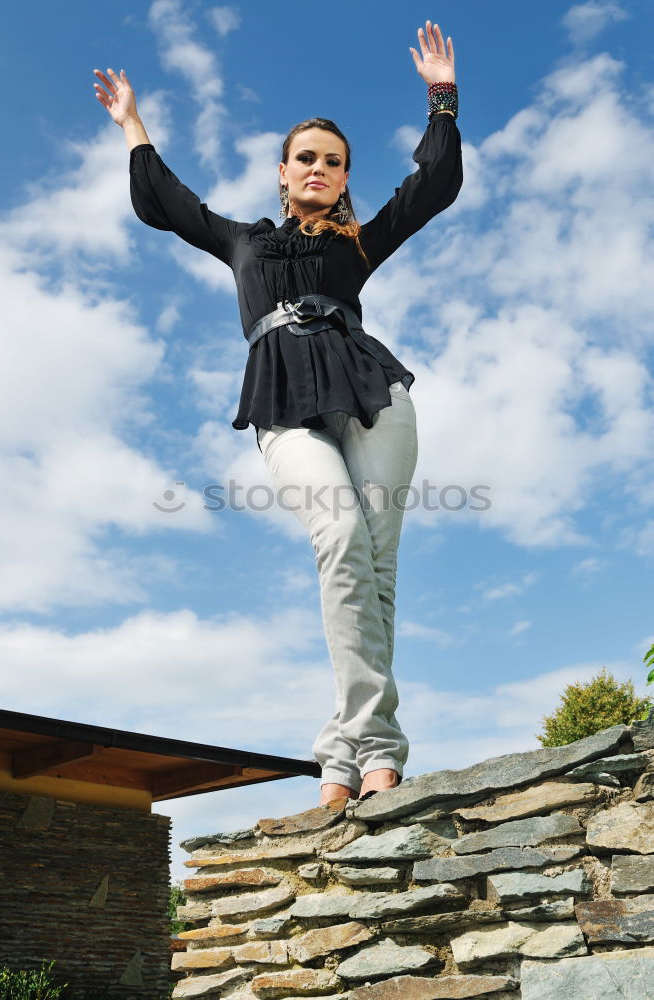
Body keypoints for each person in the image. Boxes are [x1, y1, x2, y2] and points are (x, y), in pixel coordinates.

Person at [93, 19, 462, 807]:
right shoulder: (243, 243)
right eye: (308, 158)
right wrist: (132, 122)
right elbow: (168, 202)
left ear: (343, 177)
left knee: (376, 564)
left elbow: (429, 189)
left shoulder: (359, 243)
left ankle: (351, 756)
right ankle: (365, 744)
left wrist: (442, 98)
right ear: (283, 171)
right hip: (284, 405)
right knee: (339, 538)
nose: (321, 168)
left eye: (335, 161)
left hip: (373, 396)